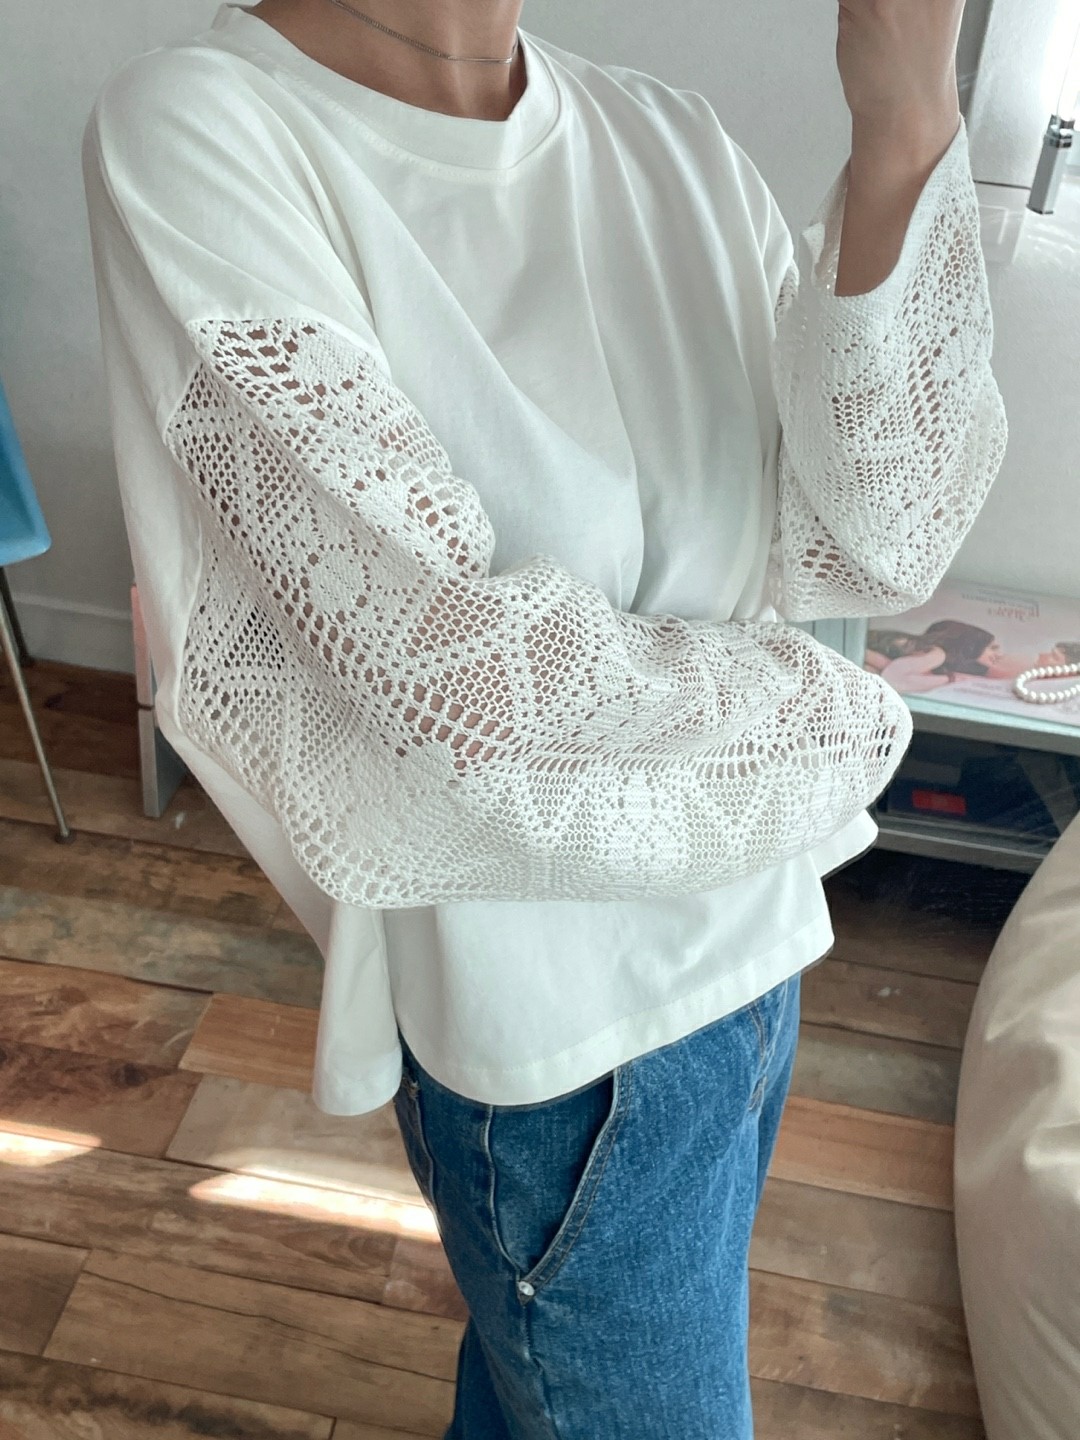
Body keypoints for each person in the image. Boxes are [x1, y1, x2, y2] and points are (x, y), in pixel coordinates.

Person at [80, 1, 1006, 1434]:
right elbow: (469, 707)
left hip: (754, 961)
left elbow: (877, 538)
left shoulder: (668, 140)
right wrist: (838, 724)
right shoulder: (210, 130)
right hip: (569, 1054)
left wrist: (903, 116)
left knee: (528, 1402)